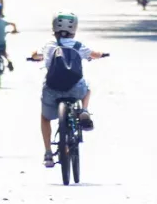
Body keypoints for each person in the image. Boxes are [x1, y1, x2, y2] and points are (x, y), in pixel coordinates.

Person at [30, 12, 106, 168]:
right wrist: (101, 54)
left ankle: (48, 153)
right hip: (75, 89)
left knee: (45, 117)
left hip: (52, 90)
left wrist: (33, 56)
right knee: (88, 88)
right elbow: (94, 54)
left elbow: (36, 55)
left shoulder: (49, 45)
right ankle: (84, 110)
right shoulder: (78, 46)